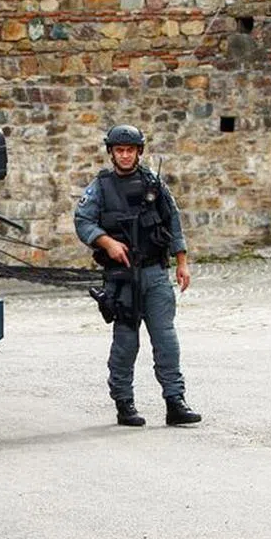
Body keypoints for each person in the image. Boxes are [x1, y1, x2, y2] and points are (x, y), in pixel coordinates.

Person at [74, 124, 202, 427]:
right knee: (126, 342)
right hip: (122, 277)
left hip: (155, 273)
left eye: (130, 150)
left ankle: (175, 400)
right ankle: (124, 401)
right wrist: (107, 242)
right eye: (119, 150)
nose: (125, 155)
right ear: (111, 153)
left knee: (166, 338)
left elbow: (173, 220)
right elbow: (83, 221)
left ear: (139, 152)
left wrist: (181, 262)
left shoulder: (153, 183)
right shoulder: (100, 187)